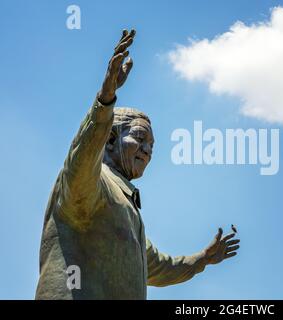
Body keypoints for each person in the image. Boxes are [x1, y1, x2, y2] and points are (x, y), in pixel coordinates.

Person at [35, 29, 240, 300]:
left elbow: (158, 267)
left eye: (152, 146)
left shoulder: (126, 205)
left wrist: (202, 258)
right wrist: (105, 98)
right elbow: (82, 155)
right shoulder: (88, 183)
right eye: (140, 138)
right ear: (110, 139)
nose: (147, 150)